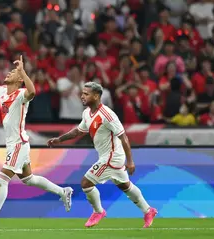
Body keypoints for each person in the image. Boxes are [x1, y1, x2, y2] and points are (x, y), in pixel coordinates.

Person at [0, 52, 73, 228]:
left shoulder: (21, 95)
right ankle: (62, 191)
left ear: (20, 79)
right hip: (16, 143)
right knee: (29, 179)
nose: (8, 73)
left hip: (18, 143)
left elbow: (33, 91)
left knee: (2, 179)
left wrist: (23, 71)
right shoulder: (2, 91)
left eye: (13, 72)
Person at [47, 81, 157, 228]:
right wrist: (60, 139)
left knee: (86, 183)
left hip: (112, 157)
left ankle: (98, 211)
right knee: (125, 186)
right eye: (82, 93)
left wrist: (130, 161)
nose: (82, 96)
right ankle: (148, 211)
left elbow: (123, 136)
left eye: (86, 94)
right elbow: (79, 131)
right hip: (106, 156)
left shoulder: (107, 114)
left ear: (97, 96)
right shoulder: (87, 113)